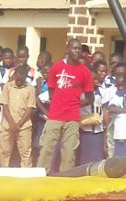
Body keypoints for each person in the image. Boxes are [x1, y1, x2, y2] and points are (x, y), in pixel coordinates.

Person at [38, 42, 94, 173]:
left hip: (72, 118)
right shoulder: (56, 67)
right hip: (55, 115)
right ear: (67, 49)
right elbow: (51, 90)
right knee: (46, 147)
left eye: (79, 49)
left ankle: (65, 178)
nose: (77, 51)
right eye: (74, 48)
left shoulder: (84, 72)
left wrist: (75, 104)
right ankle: (40, 175)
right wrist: (57, 103)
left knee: (69, 151)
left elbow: (90, 97)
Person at [0, 58, 38, 167]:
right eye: (18, 75)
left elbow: (30, 108)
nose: (20, 78)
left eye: (22, 77)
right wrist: (12, 124)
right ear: (15, 74)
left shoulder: (30, 89)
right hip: (7, 125)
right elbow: (4, 106)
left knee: (25, 154)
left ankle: (26, 176)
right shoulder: (7, 86)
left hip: (24, 126)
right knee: (3, 152)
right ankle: (2, 174)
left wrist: (18, 124)